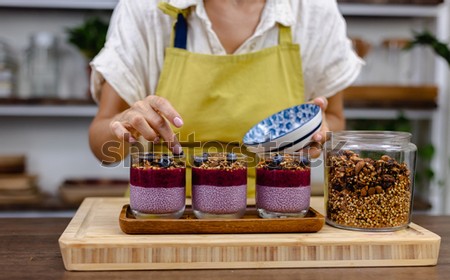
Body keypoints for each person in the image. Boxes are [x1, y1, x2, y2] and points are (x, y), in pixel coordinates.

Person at [88, 0, 363, 196]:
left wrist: (316, 133)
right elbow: (102, 147)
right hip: (161, 207)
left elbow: (335, 119)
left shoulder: (314, 10)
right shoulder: (144, 8)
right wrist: (125, 124)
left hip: (276, 208)